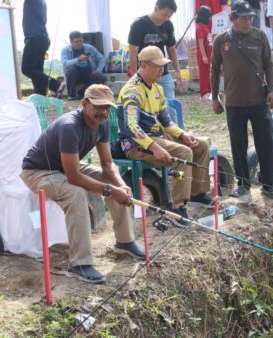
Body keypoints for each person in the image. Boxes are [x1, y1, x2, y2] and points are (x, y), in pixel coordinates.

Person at [21, 84, 144, 283]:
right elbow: (74, 177)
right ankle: (79, 264)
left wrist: (121, 185)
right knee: (75, 193)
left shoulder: (102, 123)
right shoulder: (69, 126)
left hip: (66, 168)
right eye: (98, 106)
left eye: (107, 107)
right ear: (85, 104)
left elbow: (107, 164)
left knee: (112, 183)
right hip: (38, 172)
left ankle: (125, 241)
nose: (103, 112)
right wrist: (110, 190)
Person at [117, 46, 212, 224]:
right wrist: (155, 148)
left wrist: (183, 134)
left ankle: (197, 193)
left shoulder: (157, 89)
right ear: (143, 65)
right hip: (136, 144)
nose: (162, 70)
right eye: (157, 66)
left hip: (157, 137)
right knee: (184, 153)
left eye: (162, 66)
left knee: (200, 145)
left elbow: (167, 122)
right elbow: (132, 127)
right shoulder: (132, 91)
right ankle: (176, 208)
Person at [211, 1, 273, 202]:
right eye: (244, 18)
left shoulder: (260, 36)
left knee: (266, 143)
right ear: (233, 19)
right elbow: (214, 69)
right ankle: (243, 185)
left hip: (259, 101)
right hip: (234, 103)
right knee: (238, 145)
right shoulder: (221, 41)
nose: (249, 21)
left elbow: (269, 64)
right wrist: (215, 97)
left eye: (250, 17)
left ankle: (269, 185)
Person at [128, 0, 183, 100]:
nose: (166, 18)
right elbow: (133, 55)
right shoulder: (138, 25)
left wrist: (178, 71)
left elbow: (172, 50)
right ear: (156, 8)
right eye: (164, 14)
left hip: (162, 72)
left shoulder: (168, 25)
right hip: (144, 73)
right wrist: (135, 79)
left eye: (169, 16)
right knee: (147, 106)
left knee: (170, 106)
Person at [21, 0, 63, 96]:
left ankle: (56, 84)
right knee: (37, 73)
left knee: (26, 69)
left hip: (35, 38)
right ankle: (41, 100)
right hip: (40, 38)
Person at [61, 31, 107, 100]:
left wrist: (98, 70)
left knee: (101, 77)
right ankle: (72, 95)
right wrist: (78, 60)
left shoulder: (89, 48)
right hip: (74, 75)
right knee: (71, 69)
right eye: (76, 42)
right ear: (71, 42)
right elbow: (65, 63)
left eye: (80, 41)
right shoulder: (65, 50)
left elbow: (102, 59)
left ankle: (82, 93)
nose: (79, 43)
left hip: (88, 73)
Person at [195, 6, 213, 100]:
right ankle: (203, 93)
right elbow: (200, 42)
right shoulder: (200, 27)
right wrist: (204, 56)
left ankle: (209, 91)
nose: (210, 18)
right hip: (203, 54)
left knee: (208, 72)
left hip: (208, 53)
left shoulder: (205, 26)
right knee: (204, 73)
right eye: (209, 16)